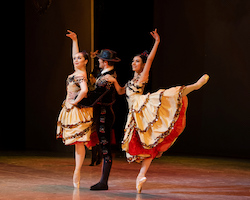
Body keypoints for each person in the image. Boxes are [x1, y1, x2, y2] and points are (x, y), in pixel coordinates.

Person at [104, 29, 209, 193]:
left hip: (142, 107)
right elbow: (121, 92)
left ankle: (194, 86)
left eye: (137, 62)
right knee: (147, 145)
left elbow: (150, 59)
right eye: (133, 61)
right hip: (134, 114)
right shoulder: (131, 80)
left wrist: (157, 42)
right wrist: (114, 80)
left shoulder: (142, 77)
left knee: (170, 94)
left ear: (143, 65)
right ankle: (141, 176)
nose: (133, 63)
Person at [56, 30, 95, 188]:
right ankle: (77, 170)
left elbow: (84, 90)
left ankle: (77, 171)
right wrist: (74, 40)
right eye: (74, 58)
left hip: (77, 111)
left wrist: (74, 102)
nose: (76, 60)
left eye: (80, 58)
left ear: (86, 61)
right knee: (77, 143)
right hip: (71, 108)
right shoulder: (78, 71)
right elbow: (75, 55)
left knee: (79, 143)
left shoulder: (80, 75)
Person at [79, 49, 121, 190]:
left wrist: (77, 102)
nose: (98, 62)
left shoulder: (106, 79)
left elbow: (94, 97)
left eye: (100, 60)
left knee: (105, 148)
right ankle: (103, 181)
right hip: (103, 114)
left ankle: (104, 182)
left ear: (106, 62)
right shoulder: (107, 75)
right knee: (103, 147)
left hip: (104, 115)